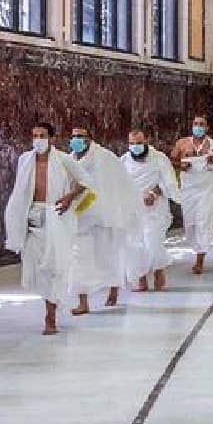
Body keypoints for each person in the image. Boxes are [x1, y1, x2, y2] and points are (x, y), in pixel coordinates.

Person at [4, 123, 94, 335]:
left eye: (42, 135)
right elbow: (20, 192)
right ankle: (49, 306)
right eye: (34, 135)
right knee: (38, 268)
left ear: (51, 138)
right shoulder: (25, 160)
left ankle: (50, 316)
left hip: (57, 217)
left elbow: (86, 181)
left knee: (54, 267)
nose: (38, 139)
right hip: (32, 217)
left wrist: (69, 198)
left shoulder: (64, 160)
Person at [67, 126, 137, 315]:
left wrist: (118, 211)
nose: (76, 140)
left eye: (80, 136)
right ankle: (83, 301)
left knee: (107, 256)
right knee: (79, 259)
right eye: (73, 136)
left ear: (90, 138)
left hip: (104, 216)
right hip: (79, 218)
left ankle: (113, 289)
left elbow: (120, 184)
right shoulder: (69, 159)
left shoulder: (105, 158)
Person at [170, 116, 213, 275]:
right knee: (191, 223)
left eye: (202, 124)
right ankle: (196, 247)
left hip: (208, 189)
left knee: (204, 219)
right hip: (189, 189)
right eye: (196, 124)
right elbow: (171, 161)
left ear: (207, 128)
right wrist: (181, 165)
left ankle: (200, 258)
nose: (198, 126)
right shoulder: (182, 143)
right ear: (192, 126)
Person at [121, 129, 178, 292]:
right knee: (134, 244)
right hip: (132, 209)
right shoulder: (124, 161)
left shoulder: (159, 159)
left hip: (154, 209)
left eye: (139, 143)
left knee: (153, 242)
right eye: (132, 143)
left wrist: (154, 193)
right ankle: (141, 278)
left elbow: (169, 183)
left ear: (146, 141)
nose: (135, 146)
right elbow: (118, 184)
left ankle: (159, 270)